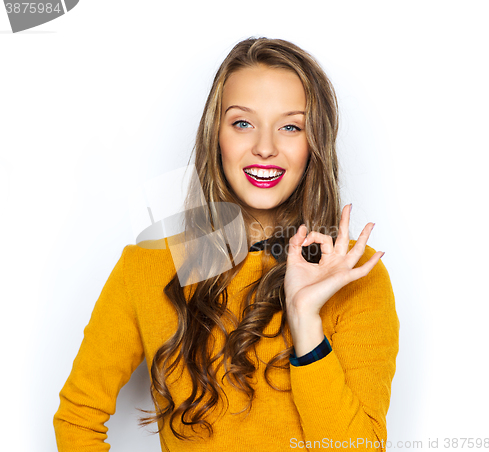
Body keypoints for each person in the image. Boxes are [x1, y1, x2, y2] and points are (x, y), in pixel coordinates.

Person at [53, 37, 399, 452]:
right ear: (216, 134)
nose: (265, 148)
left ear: (315, 144)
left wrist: (305, 318)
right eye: (242, 123)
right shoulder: (147, 266)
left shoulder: (356, 277)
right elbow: (78, 418)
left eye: (291, 126)